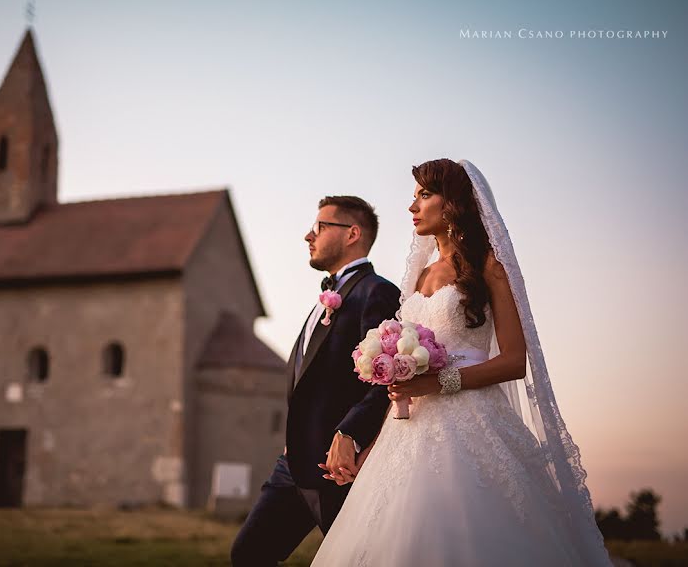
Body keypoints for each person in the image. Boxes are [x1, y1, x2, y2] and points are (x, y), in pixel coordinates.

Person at [311, 159, 613, 566]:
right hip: (409, 430)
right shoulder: (418, 276)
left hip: (473, 421)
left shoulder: (489, 266)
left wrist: (438, 383)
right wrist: (371, 446)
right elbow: (404, 384)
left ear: (453, 202)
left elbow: (513, 362)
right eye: (414, 195)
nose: (412, 206)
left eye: (424, 194)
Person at [230, 196, 401, 566]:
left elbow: (387, 377)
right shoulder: (328, 297)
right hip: (294, 463)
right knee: (249, 553)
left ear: (352, 233)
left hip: (338, 467)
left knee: (357, 561)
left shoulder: (377, 292)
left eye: (321, 226)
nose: (310, 235)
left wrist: (350, 433)